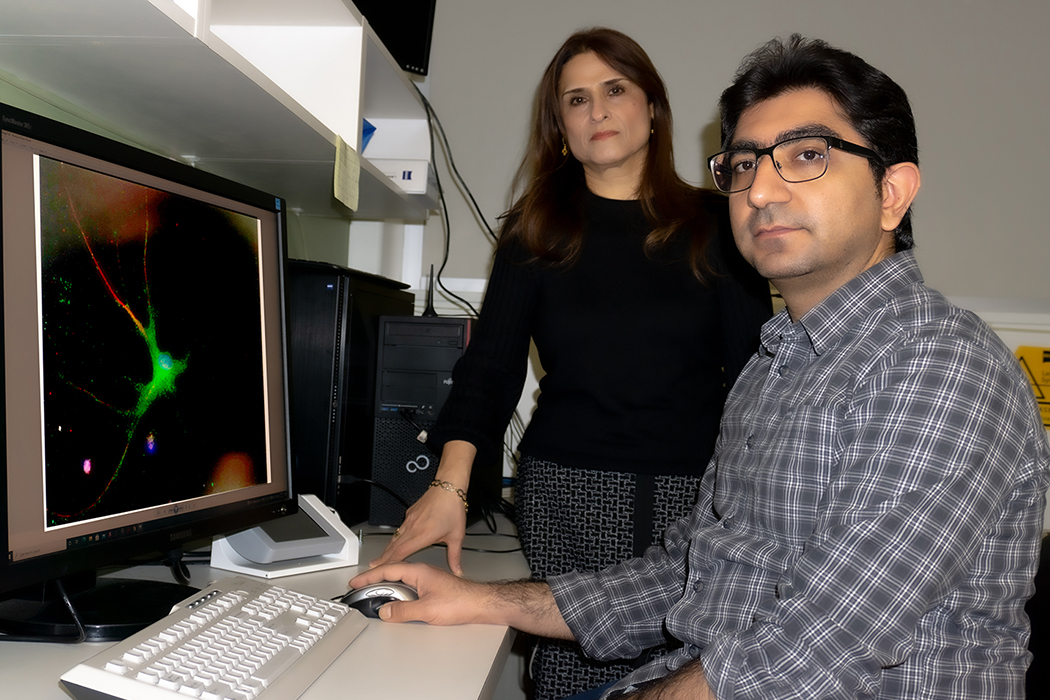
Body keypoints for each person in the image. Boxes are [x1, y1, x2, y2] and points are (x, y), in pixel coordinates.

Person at [352, 34, 1050, 700]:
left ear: (892, 192)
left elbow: (820, 647)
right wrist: (480, 598)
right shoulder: (775, 372)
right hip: (612, 548)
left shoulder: (941, 368)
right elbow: (686, 577)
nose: (763, 191)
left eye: (807, 155)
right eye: (744, 164)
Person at [369, 27, 771, 699]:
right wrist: (450, 485)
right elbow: (489, 372)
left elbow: (759, 379)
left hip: (696, 497)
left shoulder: (716, 224)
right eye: (576, 100)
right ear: (561, 125)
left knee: (683, 673)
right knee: (573, 670)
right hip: (568, 494)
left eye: (615, 90)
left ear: (652, 107)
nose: (598, 112)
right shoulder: (536, 229)